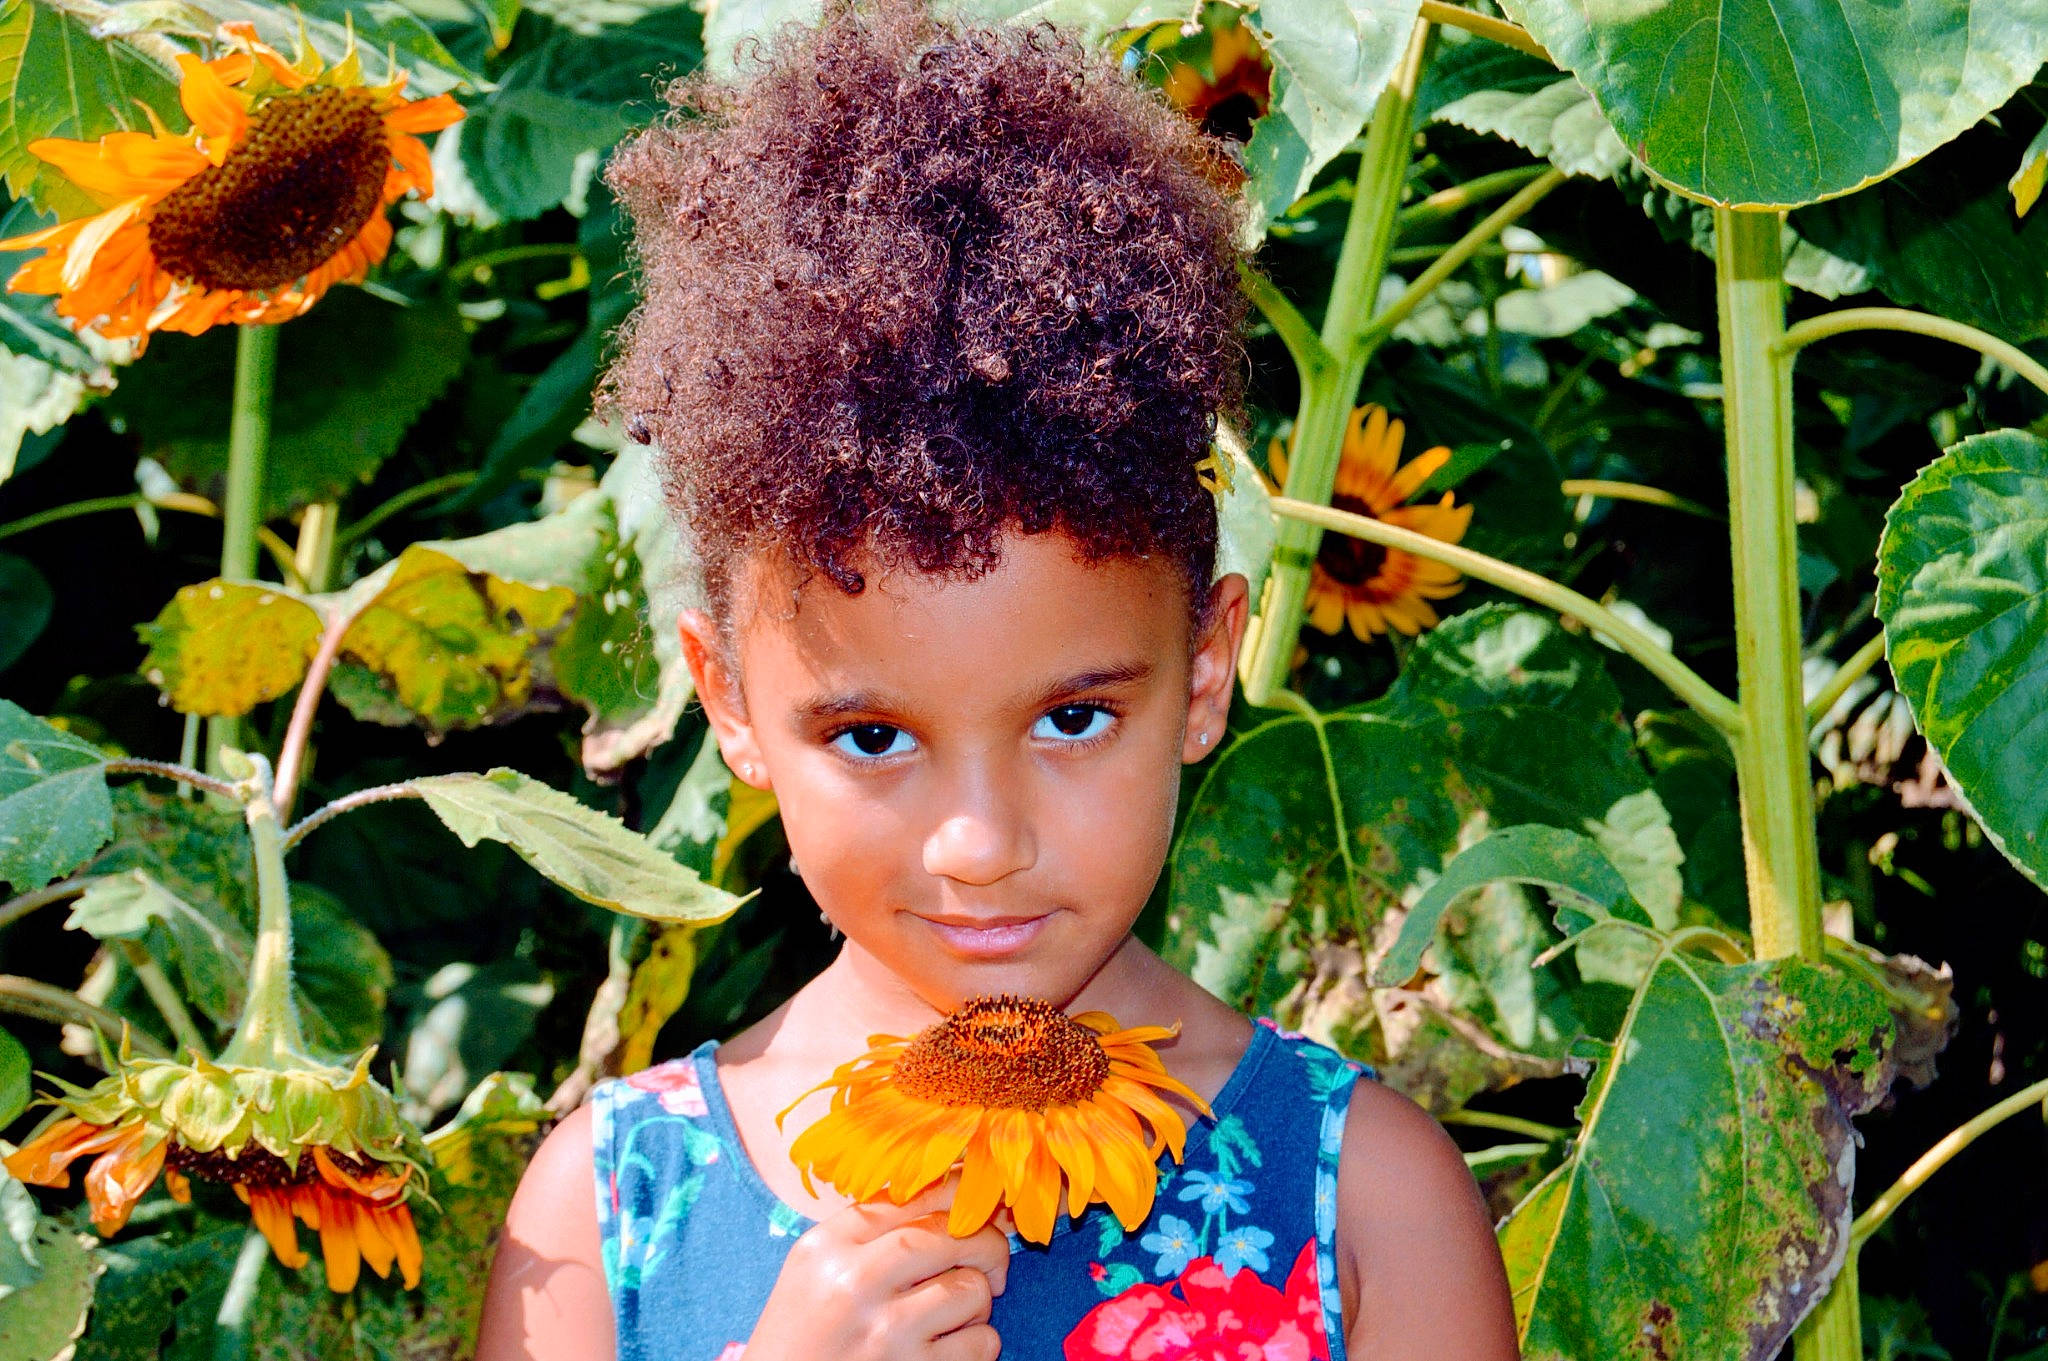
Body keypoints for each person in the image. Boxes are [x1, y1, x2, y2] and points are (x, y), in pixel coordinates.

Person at [474, 3, 1518, 1356]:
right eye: (871, 737)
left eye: (1073, 717)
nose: (980, 845)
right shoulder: (603, 1216)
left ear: (1206, 669)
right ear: (728, 703)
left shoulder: (1368, 1205)